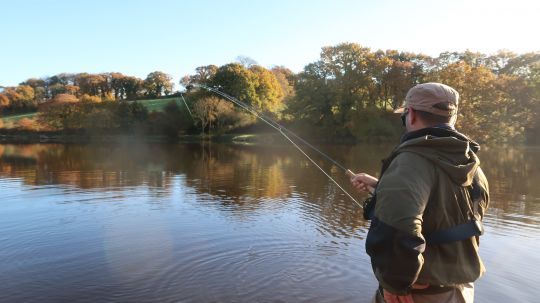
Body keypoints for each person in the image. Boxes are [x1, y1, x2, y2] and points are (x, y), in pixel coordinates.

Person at [350, 83, 489, 303]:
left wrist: (395, 285)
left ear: (411, 114)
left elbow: (398, 232)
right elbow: (448, 213)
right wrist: (381, 187)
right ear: (452, 118)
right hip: (460, 290)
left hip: (417, 294)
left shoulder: (412, 161)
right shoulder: (470, 163)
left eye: (404, 114)